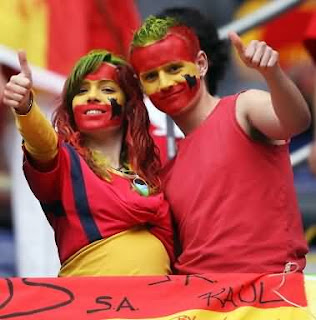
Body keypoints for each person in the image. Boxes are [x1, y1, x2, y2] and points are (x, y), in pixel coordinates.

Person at [129, 16, 311, 274]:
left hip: (269, 298)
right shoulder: (166, 174)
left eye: (173, 68)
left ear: (201, 64)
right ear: (142, 87)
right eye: (151, 76)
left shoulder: (243, 108)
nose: (166, 83)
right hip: (200, 303)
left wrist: (272, 74)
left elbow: (295, 121)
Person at [2, 49, 174, 276]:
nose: (92, 96)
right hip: (95, 306)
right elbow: (42, 143)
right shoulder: (64, 161)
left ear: (130, 105)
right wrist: (26, 107)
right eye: (82, 91)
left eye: (107, 89)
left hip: (159, 305)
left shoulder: (148, 169)